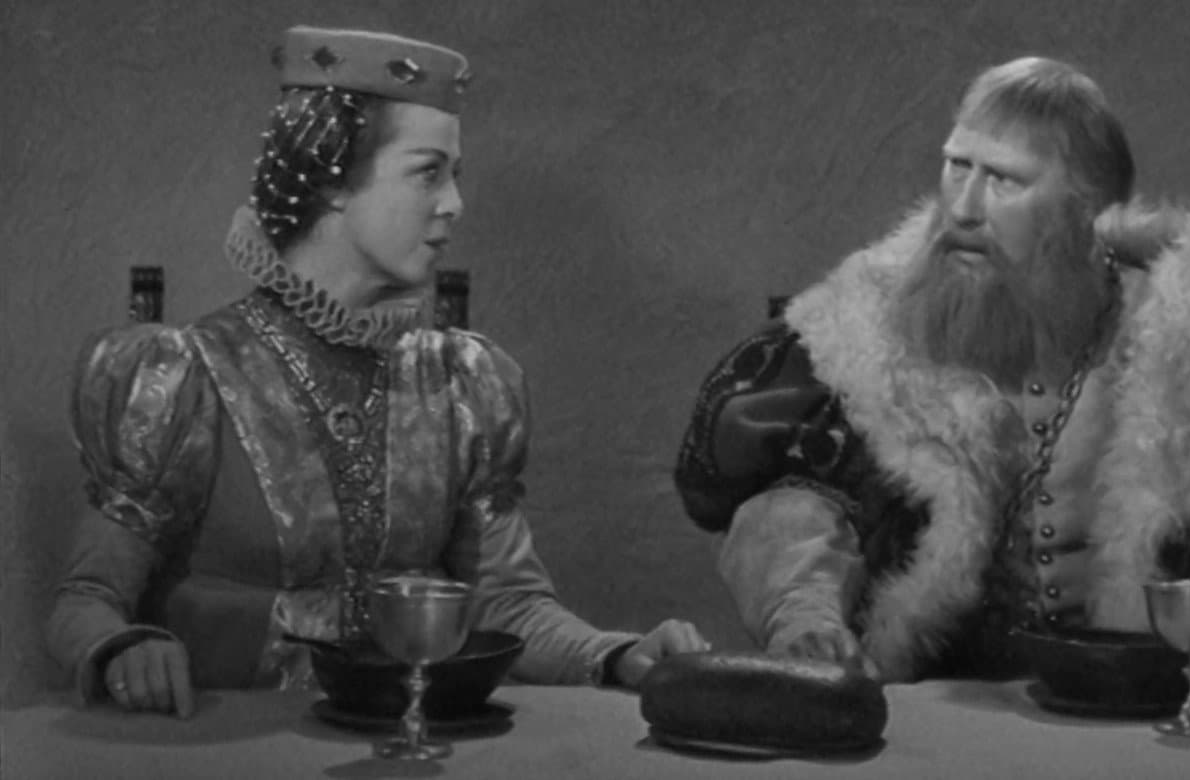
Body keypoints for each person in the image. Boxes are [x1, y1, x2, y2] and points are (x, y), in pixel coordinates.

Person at [48, 26, 709, 719]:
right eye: (428, 172)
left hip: (412, 743)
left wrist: (614, 654)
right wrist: (123, 648)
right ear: (332, 179)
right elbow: (85, 600)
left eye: (455, 175)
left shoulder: (461, 381)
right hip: (228, 750)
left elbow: (508, 605)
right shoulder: (184, 376)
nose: (454, 203)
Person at [673, 56, 1190, 698]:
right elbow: (794, 502)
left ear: (1085, 210)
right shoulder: (864, 329)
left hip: (1149, 738)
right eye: (957, 166)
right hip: (930, 726)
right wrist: (805, 616)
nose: (962, 207)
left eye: (1003, 180)